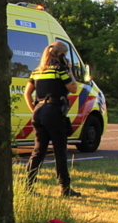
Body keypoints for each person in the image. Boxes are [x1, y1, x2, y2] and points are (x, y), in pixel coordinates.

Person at [25, 41, 82, 196]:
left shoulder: (37, 71)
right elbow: (73, 88)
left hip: (39, 111)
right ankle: (65, 188)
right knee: (60, 150)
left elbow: (27, 93)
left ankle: (28, 187)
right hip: (54, 111)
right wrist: (69, 70)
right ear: (61, 55)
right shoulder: (60, 70)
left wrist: (35, 109)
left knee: (38, 151)